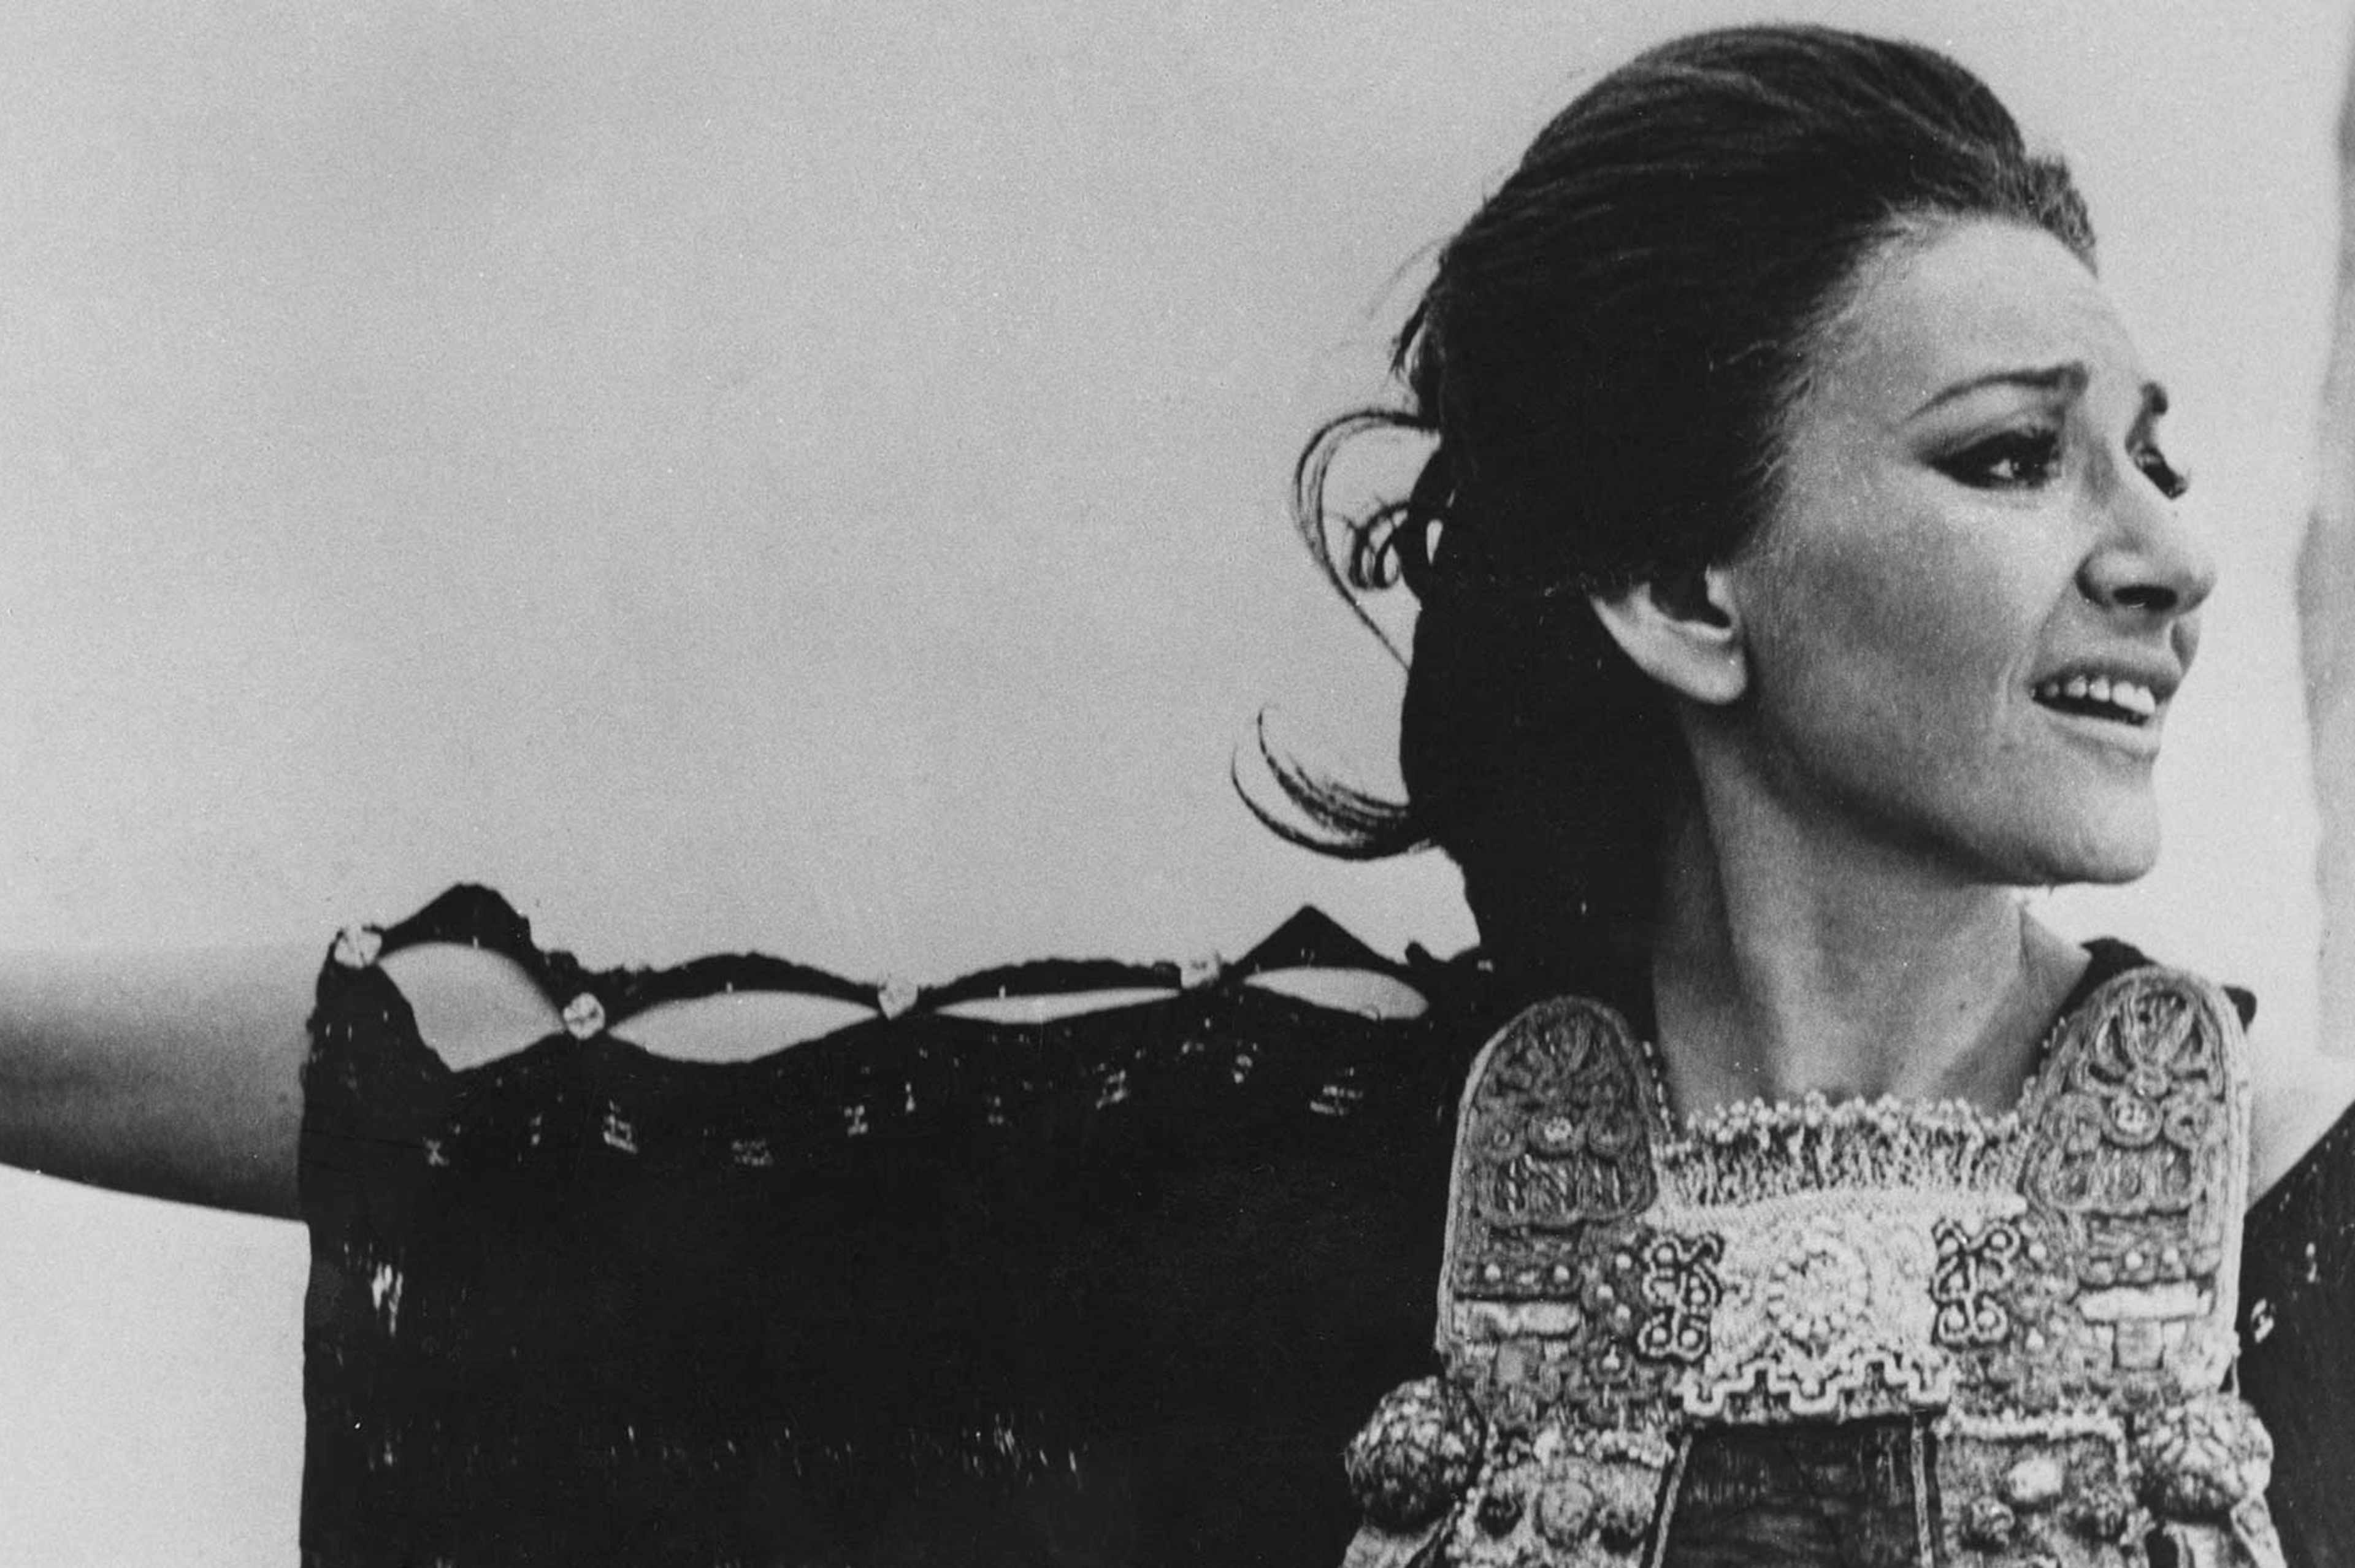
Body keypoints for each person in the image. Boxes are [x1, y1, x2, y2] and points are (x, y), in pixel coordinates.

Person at [6, 19, 2355, 1568]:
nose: (2165, 555)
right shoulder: (1320, 1179)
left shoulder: (2298, 1217)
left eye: (2153, 457)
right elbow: (514, 1110)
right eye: (2015, 457)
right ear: (1676, 587)